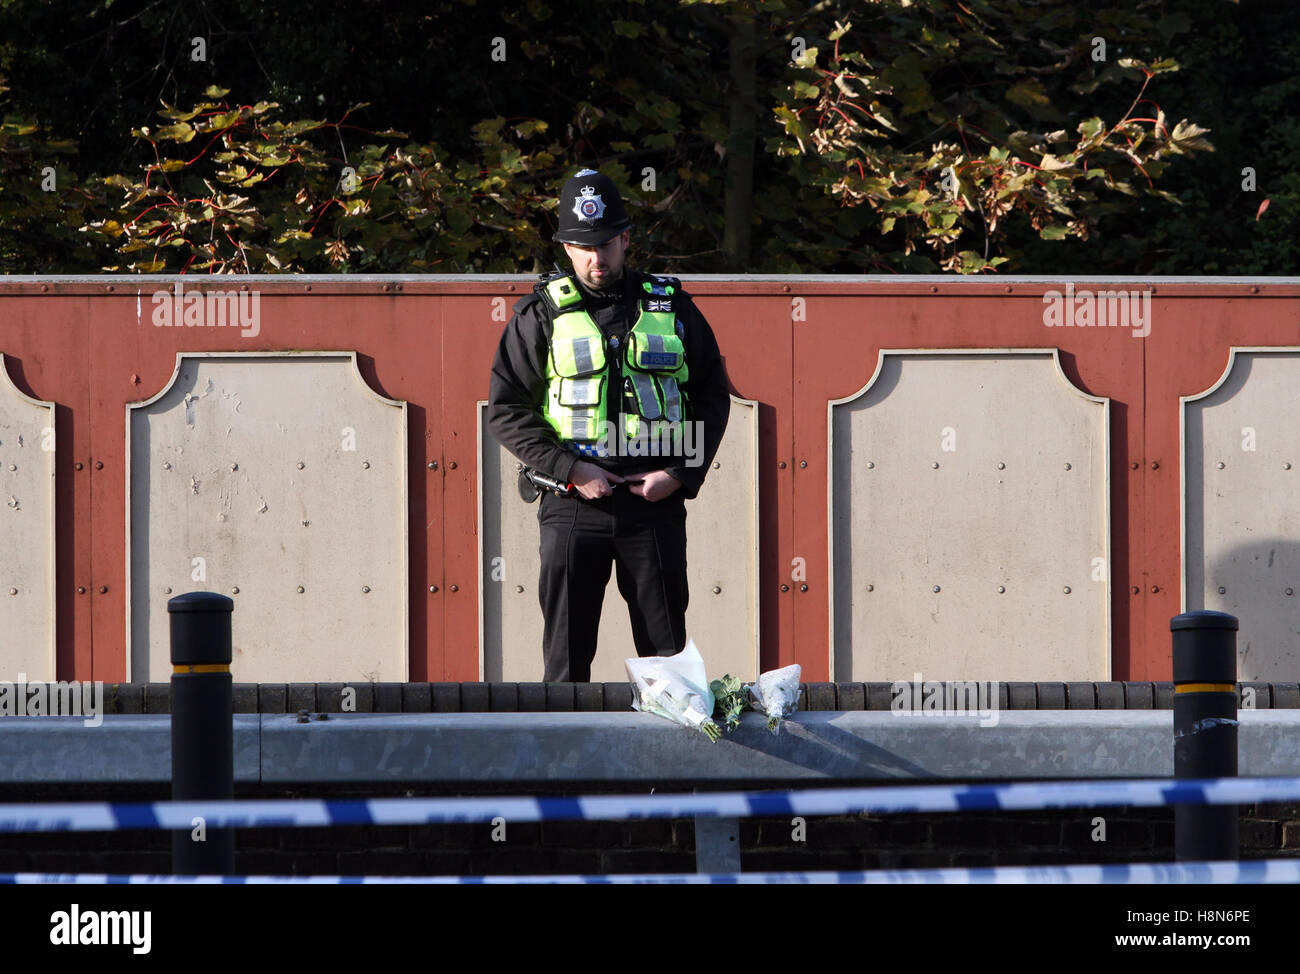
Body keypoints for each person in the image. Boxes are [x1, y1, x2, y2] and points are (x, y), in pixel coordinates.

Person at [487, 168, 731, 682]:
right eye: (583, 246)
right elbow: (508, 409)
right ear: (566, 248)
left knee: (669, 665)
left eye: (606, 244)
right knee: (566, 665)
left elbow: (712, 397)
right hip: (572, 507)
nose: (597, 259)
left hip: (654, 508)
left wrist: (682, 475)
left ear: (625, 239)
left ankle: (674, 761)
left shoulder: (672, 308)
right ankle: (567, 761)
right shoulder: (540, 315)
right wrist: (571, 468)